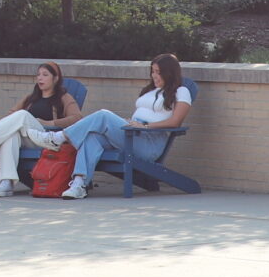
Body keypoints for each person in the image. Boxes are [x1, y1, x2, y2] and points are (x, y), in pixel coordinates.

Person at [57, 55, 193, 198]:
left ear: (169, 73)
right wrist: (130, 122)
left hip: (149, 142)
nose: (154, 75)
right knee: (92, 137)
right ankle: (78, 185)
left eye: (158, 72)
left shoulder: (181, 91)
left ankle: (60, 137)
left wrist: (145, 125)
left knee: (103, 115)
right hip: (133, 133)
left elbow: (175, 122)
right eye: (153, 71)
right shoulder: (151, 90)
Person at [0, 63, 78, 197]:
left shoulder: (64, 97)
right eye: (38, 75)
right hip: (30, 139)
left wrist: (50, 123)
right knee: (10, 135)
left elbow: (77, 118)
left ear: (55, 79)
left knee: (23, 115)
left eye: (45, 75)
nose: (40, 78)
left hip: (48, 139)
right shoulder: (32, 98)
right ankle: (7, 182)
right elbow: (11, 115)